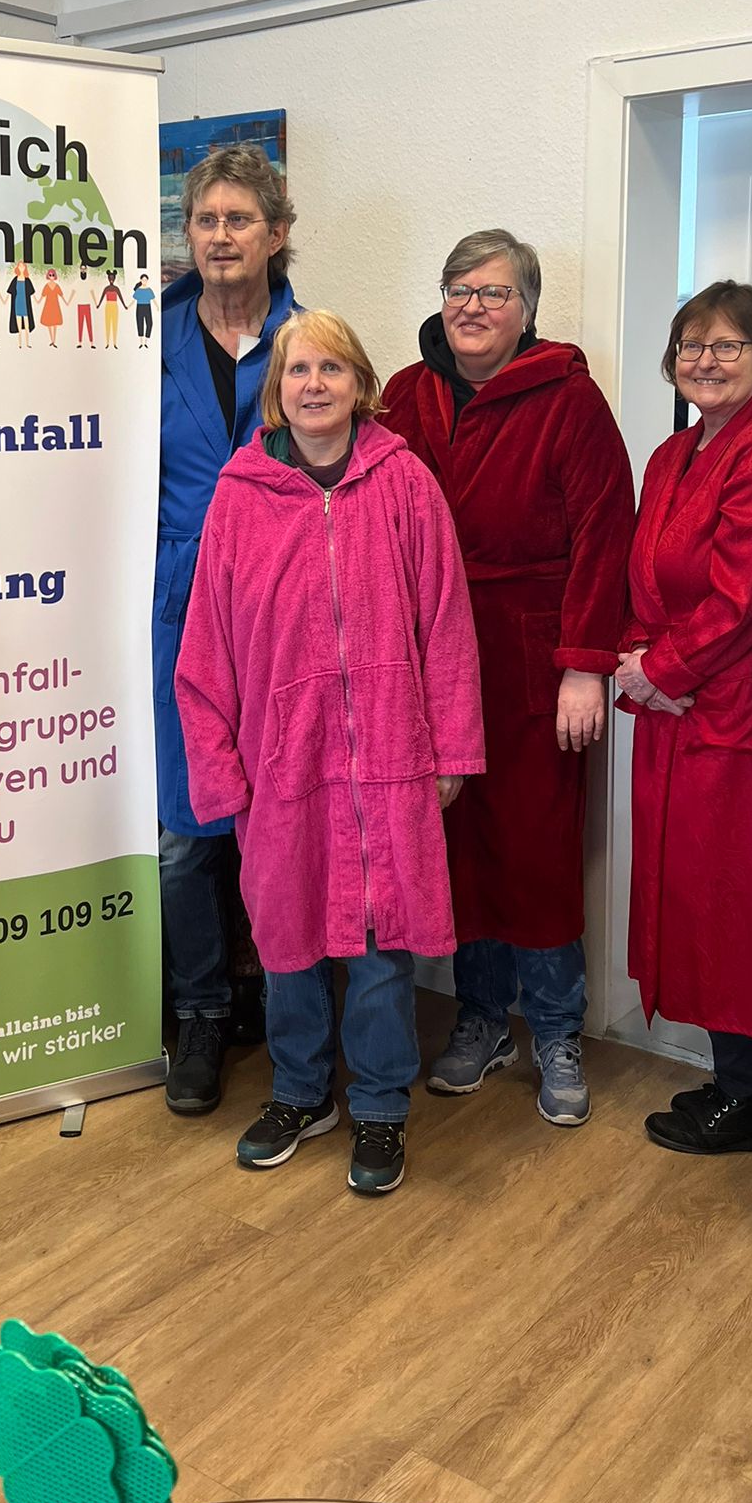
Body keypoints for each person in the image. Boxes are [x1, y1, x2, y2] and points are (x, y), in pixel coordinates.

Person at [176, 312, 483, 1194]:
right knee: (287, 942)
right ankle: (300, 1093)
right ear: (278, 391)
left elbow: (447, 626)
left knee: (382, 945)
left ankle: (380, 1105)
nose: (315, 385)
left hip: (389, 758)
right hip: (282, 764)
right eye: (298, 370)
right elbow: (206, 651)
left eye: (332, 369)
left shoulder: (406, 484)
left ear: (360, 385)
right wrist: (221, 773)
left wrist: (451, 748)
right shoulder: (239, 499)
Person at [381, 229, 632, 1126]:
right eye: (458, 288)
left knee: (536, 848)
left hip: (530, 651)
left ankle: (557, 1030)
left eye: (493, 292)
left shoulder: (570, 399)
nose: (472, 306)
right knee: (459, 844)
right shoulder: (404, 395)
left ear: (527, 310)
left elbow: (605, 534)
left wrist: (584, 667)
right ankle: (482, 1017)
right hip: (429, 654)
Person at [616, 282, 752, 1155]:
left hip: (736, 708)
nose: (705, 360)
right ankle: (739, 1078)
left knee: (733, 904)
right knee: (688, 900)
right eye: (691, 346)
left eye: (727, 345)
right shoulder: (672, 455)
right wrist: (639, 664)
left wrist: (663, 670)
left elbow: (746, 591)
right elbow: (643, 581)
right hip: (676, 708)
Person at [156, 143, 299, 1115]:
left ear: (276, 234)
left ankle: (288, 1010)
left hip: (283, 615)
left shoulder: (309, 342)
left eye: (239, 219)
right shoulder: (146, 340)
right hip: (176, 606)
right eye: (206, 219)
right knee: (184, 833)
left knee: (281, 821)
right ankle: (201, 1009)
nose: (220, 235)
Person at [8, 260, 36, 346]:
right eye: (20, 266)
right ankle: (20, 344)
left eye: (23, 266)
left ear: (25, 268)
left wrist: (38, 300)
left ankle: (27, 344)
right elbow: (10, 292)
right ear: (17, 268)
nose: (21, 268)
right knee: (19, 328)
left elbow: (32, 293)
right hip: (17, 304)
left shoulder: (27, 280)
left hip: (25, 306)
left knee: (27, 327)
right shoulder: (15, 280)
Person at [97, 267, 125, 347]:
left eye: (113, 278)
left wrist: (124, 305)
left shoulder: (116, 288)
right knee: (107, 323)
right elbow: (102, 297)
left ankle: (115, 343)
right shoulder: (106, 288)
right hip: (108, 305)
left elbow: (120, 297)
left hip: (114, 306)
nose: (111, 279)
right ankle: (107, 343)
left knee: (115, 323)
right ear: (108, 279)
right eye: (110, 278)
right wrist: (99, 304)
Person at [38, 267, 66, 347]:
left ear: (55, 276)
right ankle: (52, 340)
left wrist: (66, 302)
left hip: (55, 305)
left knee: (55, 324)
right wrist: (37, 301)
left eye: (53, 275)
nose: (51, 276)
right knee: (49, 324)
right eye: (50, 275)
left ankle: (54, 340)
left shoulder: (57, 286)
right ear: (48, 276)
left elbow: (61, 295)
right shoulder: (46, 286)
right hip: (48, 305)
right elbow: (42, 296)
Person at [133, 273, 157, 348]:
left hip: (147, 307)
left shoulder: (149, 290)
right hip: (139, 307)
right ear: (141, 280)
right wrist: (127, 306)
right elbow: (133, 300)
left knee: (149, 323)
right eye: (143, 280)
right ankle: (141, 342)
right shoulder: (138, 290)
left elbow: (153, 299)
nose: (144, 281)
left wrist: (157, 306)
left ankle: (146, 342)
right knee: (140, 324)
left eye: (145, 280)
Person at [75, 265, 96, 347]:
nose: (83, 270)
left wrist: (96, 302)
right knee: (80, 324)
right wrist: (68, 301)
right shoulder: (77, 282)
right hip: (80, 305)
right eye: (82, 269)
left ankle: (92, 343)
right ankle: (80, 342)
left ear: (86, 270)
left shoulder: (89, 282)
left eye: (84, 269)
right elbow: (73, 291)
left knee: (89, 324)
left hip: (87, 305)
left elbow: (92, 292)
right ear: (80, 270)